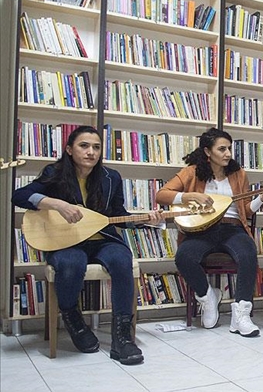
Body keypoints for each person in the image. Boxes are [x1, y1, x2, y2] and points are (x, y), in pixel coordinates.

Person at [12, 126, 162, 365]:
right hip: (66, 242)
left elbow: (118, 215)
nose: (91, 152)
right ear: (70, 149)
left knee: (122, 260)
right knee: (72, 263)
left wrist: (144, 220)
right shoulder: (55, 173)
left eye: (96, 147)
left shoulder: (111, 177)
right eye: (84, 146)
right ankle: (73, 318)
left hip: (103, 239)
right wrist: (55, 204)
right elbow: (19, 195)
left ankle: (122, 337)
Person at [155, 127, 263, 337]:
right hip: (202, 230)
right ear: (207, 152)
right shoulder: (192, 172)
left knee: (248, 253)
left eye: (230, 148)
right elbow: (161, 195)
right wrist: (188, 196)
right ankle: (208, 296)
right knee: (184, 257)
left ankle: (241, 316)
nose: (228, 153)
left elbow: (246, 210)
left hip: (232, 228)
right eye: (222, 149)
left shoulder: (239, 174)